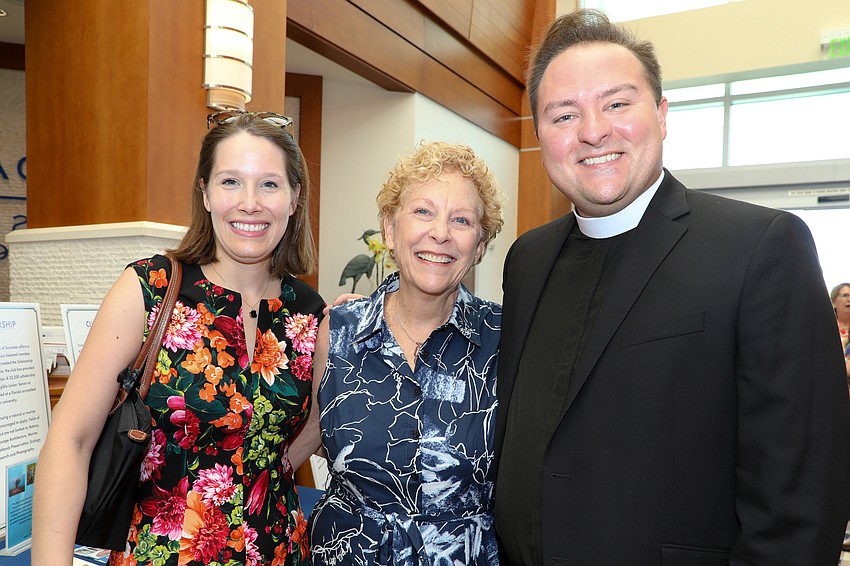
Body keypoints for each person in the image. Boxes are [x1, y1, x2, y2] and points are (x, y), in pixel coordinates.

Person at [493, 9, 850, 565]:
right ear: (540, 136)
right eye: (564, 115)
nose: (592, 131)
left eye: (616, 103)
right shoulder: (527, 260)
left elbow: (801, 498)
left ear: (662, 114)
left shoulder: (759, 247)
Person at [32, 111, 325, 565]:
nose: (250, 202)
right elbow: (70, 440)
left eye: (269, 184)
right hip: (161, 553)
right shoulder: (148, 289)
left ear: (294, 198)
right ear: (205, 193)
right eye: (230, 182)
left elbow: (308, 430)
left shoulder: (310, 313)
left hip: (279, 550)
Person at [304, 142, 505, 564]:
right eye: (423, 211)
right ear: (391, 229)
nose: (441, 233)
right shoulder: (337, 331)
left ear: (480, 245)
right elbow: (307, 439)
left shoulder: (506, 339)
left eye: (462, 220)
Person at [832, 283, 850, 382]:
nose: (849, 299)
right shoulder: (827, 329)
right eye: (845, 295)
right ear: (833, 302)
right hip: (834, 382)